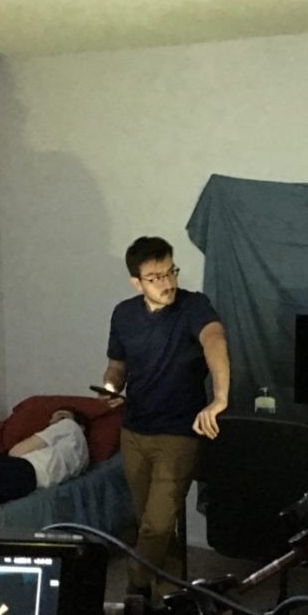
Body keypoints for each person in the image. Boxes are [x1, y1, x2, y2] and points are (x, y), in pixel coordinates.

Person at [100, 236, 230, 596]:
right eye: (156, 277)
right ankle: (166, 598)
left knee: (155, 526)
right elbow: (116, 367)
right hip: (134, 432)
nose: (168, 282)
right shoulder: (124, 314)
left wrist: (220, 398)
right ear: (137, 282)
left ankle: (135, 592)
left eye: (171, 272)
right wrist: (110, 387)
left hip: (178, 434)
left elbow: (215, 340)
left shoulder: (194, 306)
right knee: (153, 525)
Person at [0, 407, 90, 506]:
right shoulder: (84, 459)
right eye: (52, 419)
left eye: (60, 417)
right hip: (30, 483)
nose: (52, 422)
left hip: (24, 468)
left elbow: (16, 452)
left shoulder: (69, 425)